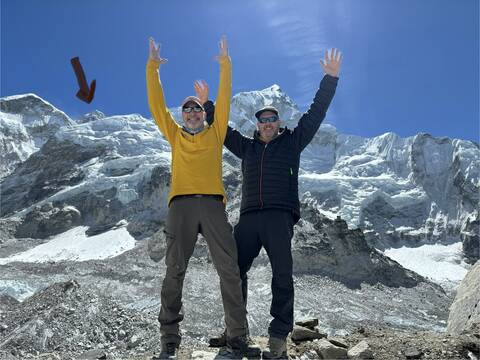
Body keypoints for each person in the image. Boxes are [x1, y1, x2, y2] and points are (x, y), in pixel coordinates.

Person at [195, 48, 342, 359]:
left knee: (282, 275)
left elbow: (315, 114)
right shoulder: (246, 148)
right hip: (248, 218)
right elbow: (221, 129)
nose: (267, 123)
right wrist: (208, 104)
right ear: (257, 123)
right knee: (234, 273)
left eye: (272, 119)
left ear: (278, 122)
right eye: (263, 119)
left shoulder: (292, 142)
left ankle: (278, 337)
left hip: (278, 217)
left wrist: (330, 79)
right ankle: (235, 331)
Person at [146, 36, 260, 359]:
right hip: (180, 205)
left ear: (203, 114)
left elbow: (223, 99)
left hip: (212, 205)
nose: (192, 113)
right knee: (174, 270)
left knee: (229, 268)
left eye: (196, 108)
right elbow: (156, 105)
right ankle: (169, 337)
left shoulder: (215, 132)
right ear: (181, 116)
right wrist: (152, 68)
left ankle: (237, 334)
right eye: (187, 109)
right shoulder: (175, 136)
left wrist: (225, 64)